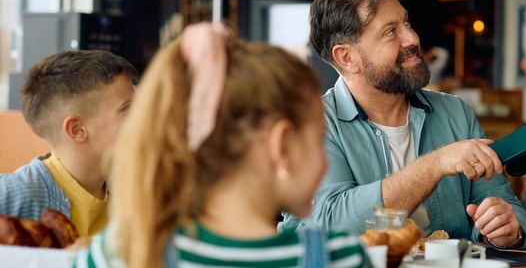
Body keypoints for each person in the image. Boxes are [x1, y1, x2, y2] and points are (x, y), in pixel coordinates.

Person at [71, 23, 370, 268]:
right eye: (318, 140)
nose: (326, 163)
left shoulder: (115, 256)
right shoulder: (340, 259)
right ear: (281, 145)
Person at [279, 0, 526, 250]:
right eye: (391, 31)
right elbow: (332, 223)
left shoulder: (455, 112)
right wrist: (435, 164)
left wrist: (508, 228)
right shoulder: (312, 123)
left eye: (407, 23)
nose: (412, 38)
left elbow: (501, 200)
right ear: (347, 57)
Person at [0, 50, 137, 238]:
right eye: (127, 109)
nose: (143, 116)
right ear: (77, 129)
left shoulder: (134, 188)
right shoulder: (15, 193)